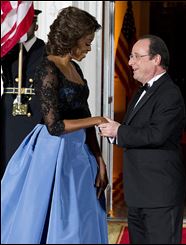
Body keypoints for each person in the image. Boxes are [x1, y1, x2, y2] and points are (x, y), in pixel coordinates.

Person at [1, 6, 108, 244]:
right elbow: (54, 126)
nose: (90, 48)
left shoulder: (76, 68)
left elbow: (84, 112)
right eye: (87, 42)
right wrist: (99, 119)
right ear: (72, 38)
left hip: (78, 154)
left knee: (82, 217)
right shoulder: (47, 67)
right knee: (55, 217)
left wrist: (99, 159)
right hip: (52, 155)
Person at [99, 35, 186, 244]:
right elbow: (135, 132)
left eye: (137, 57)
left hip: (160, 195)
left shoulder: (170, 93)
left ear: (156, 59)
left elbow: (157, 135)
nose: (130, 63)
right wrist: (114, 133)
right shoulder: (140, 93)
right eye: (130, 57)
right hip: (138, 194)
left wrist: (118, 131)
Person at [0, 10, 45, 177]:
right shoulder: (6, 49)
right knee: (8, 155)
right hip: (10, 108)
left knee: (31, 161)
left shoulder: (45, 50)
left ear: (36, 25)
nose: (24, 27)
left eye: (28, 22)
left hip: (34, 109)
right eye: (21, 23)